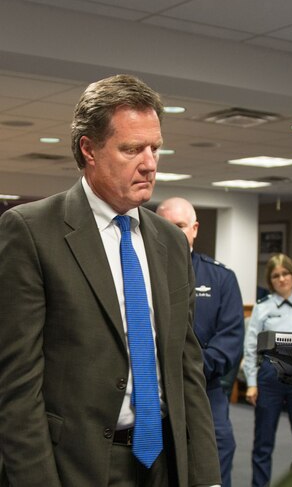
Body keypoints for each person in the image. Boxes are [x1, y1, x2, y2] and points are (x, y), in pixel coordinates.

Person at [0, 75, 221, 486]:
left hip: (164, 464)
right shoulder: (30, 231)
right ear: (89, 150)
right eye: (132, 149)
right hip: (75, 466)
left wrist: (207, 475)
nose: (150, 162)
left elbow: (187, 368)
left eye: (155, 147)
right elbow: (16, 385)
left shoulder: (172, 242)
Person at [156, 197, 245, 487]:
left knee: (214, 463)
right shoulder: (140, 273)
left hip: (207, 390)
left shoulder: (220, 278)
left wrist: (188, 369)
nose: (174, 232)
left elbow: (230, 339)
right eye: (166, 226)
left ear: (194, 228)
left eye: (180, 226)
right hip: (153, 392)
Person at [243, 254, 292, 487]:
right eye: (275, 275)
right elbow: (251, 346)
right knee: (263, 442)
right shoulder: (263, 307)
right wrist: (251, 382)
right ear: (270, 280)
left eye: (285, 273)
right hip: (270, 375)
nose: (281, 279)